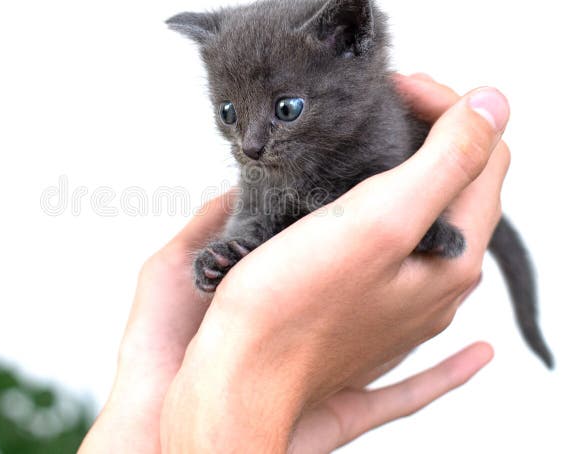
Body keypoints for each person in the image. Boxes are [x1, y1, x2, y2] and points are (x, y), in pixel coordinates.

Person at [79, 74, 510, 453]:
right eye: (230, 114)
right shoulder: (262, 164)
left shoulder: (378, 131)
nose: (248, 144)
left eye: (286, 109)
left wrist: (427, 230)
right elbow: (255, 220)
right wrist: (255, 379)